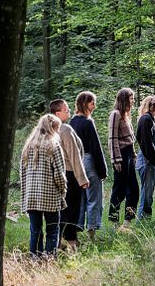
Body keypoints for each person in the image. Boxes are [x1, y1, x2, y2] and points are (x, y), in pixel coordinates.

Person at [20, 114, 67, 257]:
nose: (58, 132)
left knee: (35, 229)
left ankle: (35, 257)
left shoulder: (28, 147)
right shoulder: (53, 145)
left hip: (32, 197)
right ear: (52, 128)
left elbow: (22, 174)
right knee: (53, 229)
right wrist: (63, 190)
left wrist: (25, 195)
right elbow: (59, 173)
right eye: (57, 128)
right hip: (50, 196)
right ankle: (50, 257)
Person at [50, 99, 89, 251]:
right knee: (72, 209)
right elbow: (74, 156)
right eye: (66, 110)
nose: (69, 112)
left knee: (61, 209)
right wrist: (82, 178)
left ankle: (58, 242)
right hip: (70, 174)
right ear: (57, 113)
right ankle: (71, 243)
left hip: (56, 174)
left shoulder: (49, 129)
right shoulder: (65, 129)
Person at [70, 91, 108, 239]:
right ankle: (92, 231)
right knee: (94, 197)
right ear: (85, 104)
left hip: (76, 163)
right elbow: (95, 148)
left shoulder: (72, 122)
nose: (94, 106)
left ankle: (77, 228)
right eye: (93, 103)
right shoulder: (88, 122)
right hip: (88, 161)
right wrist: (102, 171)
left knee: (80, 198)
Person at [107, 88, 140, 230]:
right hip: (120, 155)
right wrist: (116, 159)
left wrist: (133, 154)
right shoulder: (115, 114)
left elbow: (130, 140)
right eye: (131, 98)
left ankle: (127, 222)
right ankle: (114, 222)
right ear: (124, 99)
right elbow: (112, 138)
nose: (133, 101)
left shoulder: (127, 115)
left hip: (128, 155)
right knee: (119, 190)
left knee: (133, 189)